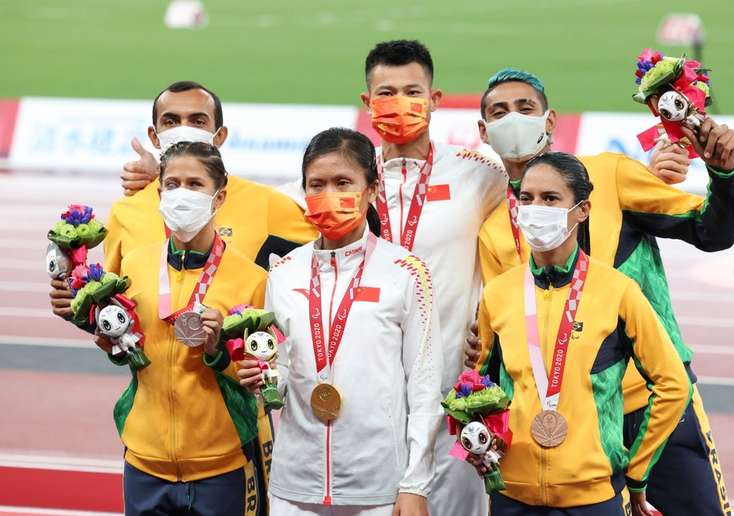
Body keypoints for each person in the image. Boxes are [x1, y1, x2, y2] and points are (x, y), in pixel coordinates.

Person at [473, 68, 734, 515]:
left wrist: (724, 171)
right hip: (574, 430)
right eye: (500, 112)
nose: (514, 121)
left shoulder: (609, 175)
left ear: (550, 120)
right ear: (483, 131)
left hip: (654, 402)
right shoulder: (494, 231)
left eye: (525, 108)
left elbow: (711, 231)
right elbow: (504, 343)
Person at [48, 81, 317, 514]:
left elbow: (331, 236)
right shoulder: (130, 211)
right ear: (154, 136)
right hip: (152, 439)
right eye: (171, 121)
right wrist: (78, 311)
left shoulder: (264, 204)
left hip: (231, 436)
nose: (185, 129)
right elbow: (113, 313)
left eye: (198, 120)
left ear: (220, 134)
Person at [238, 127, 443, 515]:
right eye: (317, 184)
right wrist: (262, 378)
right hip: (294, 485)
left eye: (343, 182)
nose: (329, 195)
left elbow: (424, 385)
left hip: (378, 488)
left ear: (372, 189)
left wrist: (415, 484)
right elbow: (282, 369)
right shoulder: (283, 272)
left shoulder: (406, 272)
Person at [475, 152, 691, 515]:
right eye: (526, 199)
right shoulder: (498, 293)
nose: (535, 208)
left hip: (592, 497)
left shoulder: (617, 292)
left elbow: (673, 384)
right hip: (512, 495)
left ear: (583, 209)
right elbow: (481, 384)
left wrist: (637, 470)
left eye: (550, 198)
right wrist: (481, 441)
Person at [361, 40, 507, 516]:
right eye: (386, 92)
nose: (400, 104)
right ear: (367, 103)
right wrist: (154, 176)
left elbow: (556, 188)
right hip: (368, 397)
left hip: (454, 398)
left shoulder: (480, 174)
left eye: (412, 91)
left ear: (436, 99)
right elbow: (243, 203)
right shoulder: (344, 179)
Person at [91, 142, 267, 515]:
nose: (181, 194)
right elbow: (133, 351)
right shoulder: (134, 266)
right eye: (172, 184)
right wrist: (113, 345)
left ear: (218, 198)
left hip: (221, 465)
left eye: (194, 184)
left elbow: (261, 377)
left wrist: (218, 351)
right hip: (145, 461)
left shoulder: (252, 278)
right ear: (158, 193)